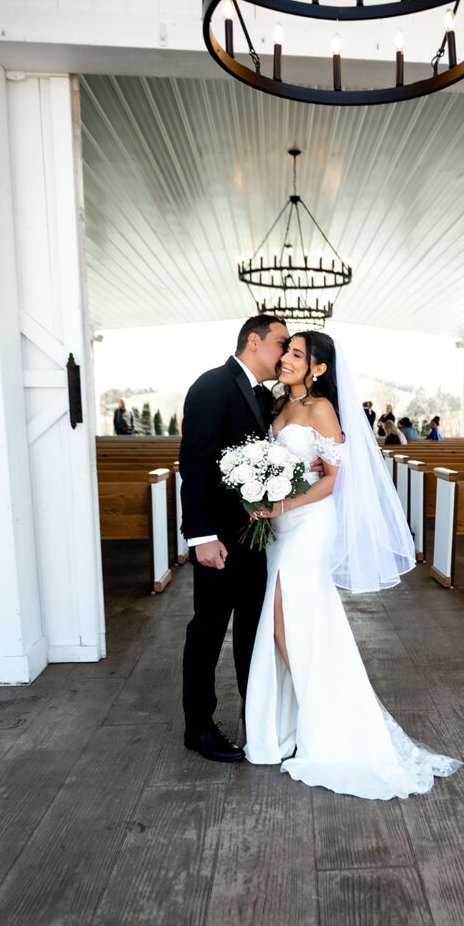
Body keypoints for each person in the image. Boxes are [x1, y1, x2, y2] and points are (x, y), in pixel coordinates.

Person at [244, 332, 462, 799]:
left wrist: (278, 507)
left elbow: (333, 482)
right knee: (296, 624)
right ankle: (304, 721)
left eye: (297, 354)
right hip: (280, 530)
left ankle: (324, 723)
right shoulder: (279, 408)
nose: (286, 359)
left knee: (284, 626)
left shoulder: (322, 409)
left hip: (308, 525)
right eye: (287, 352)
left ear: (318, 368)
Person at [179, 314, 290, 762]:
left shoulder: (264, 397)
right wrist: (201, 536)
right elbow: (196, 464)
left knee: (250, 631)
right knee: (208, 631)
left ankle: (256, 722)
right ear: (254, 341)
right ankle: (199, 728)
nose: (285, 351)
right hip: (220, 540)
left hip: (256, 539)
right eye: (282, 342)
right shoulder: (212, 385)